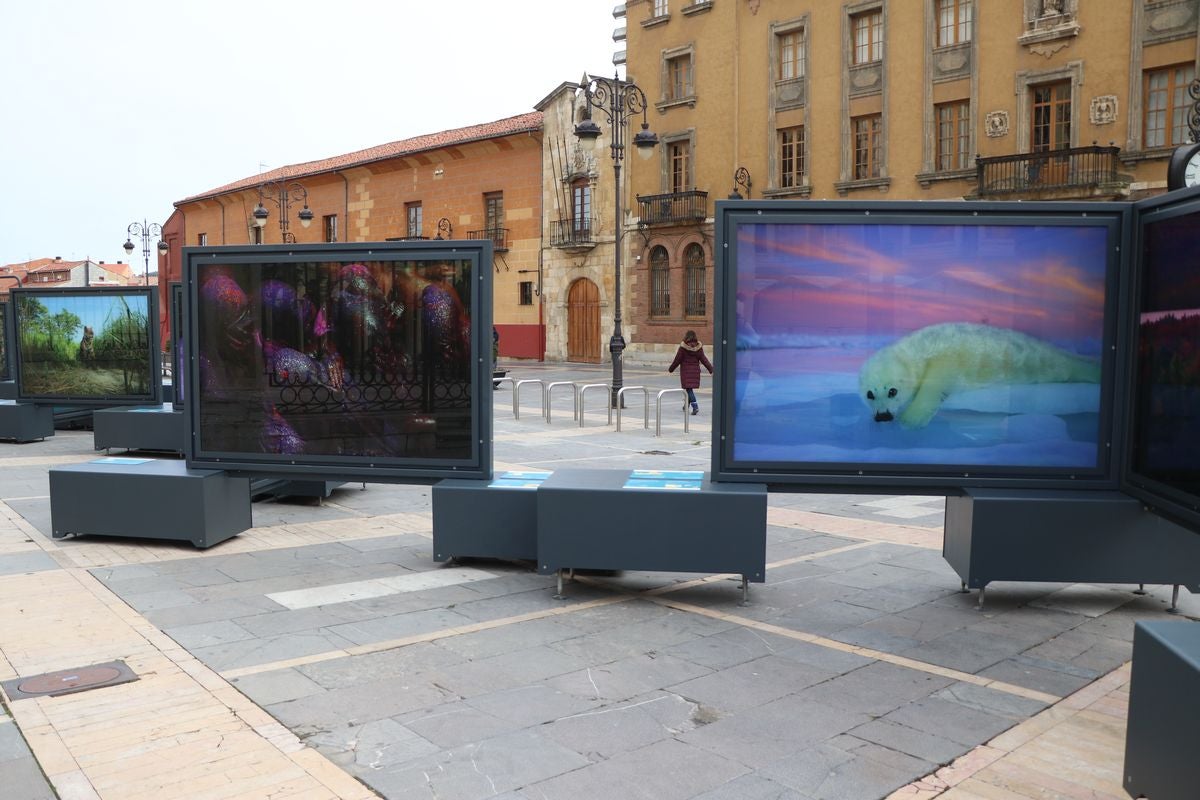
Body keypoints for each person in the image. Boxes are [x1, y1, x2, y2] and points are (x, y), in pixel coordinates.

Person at [668, 329, 713, 415]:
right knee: (689, 389)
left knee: (689, 389)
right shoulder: (698, 347)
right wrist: (711, 369)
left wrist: (671, 369)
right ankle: (686, 406)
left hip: (686, 372)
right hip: (695, 371)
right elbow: (704, 359)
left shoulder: (683, 347)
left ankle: (695, 407)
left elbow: (677, 360)